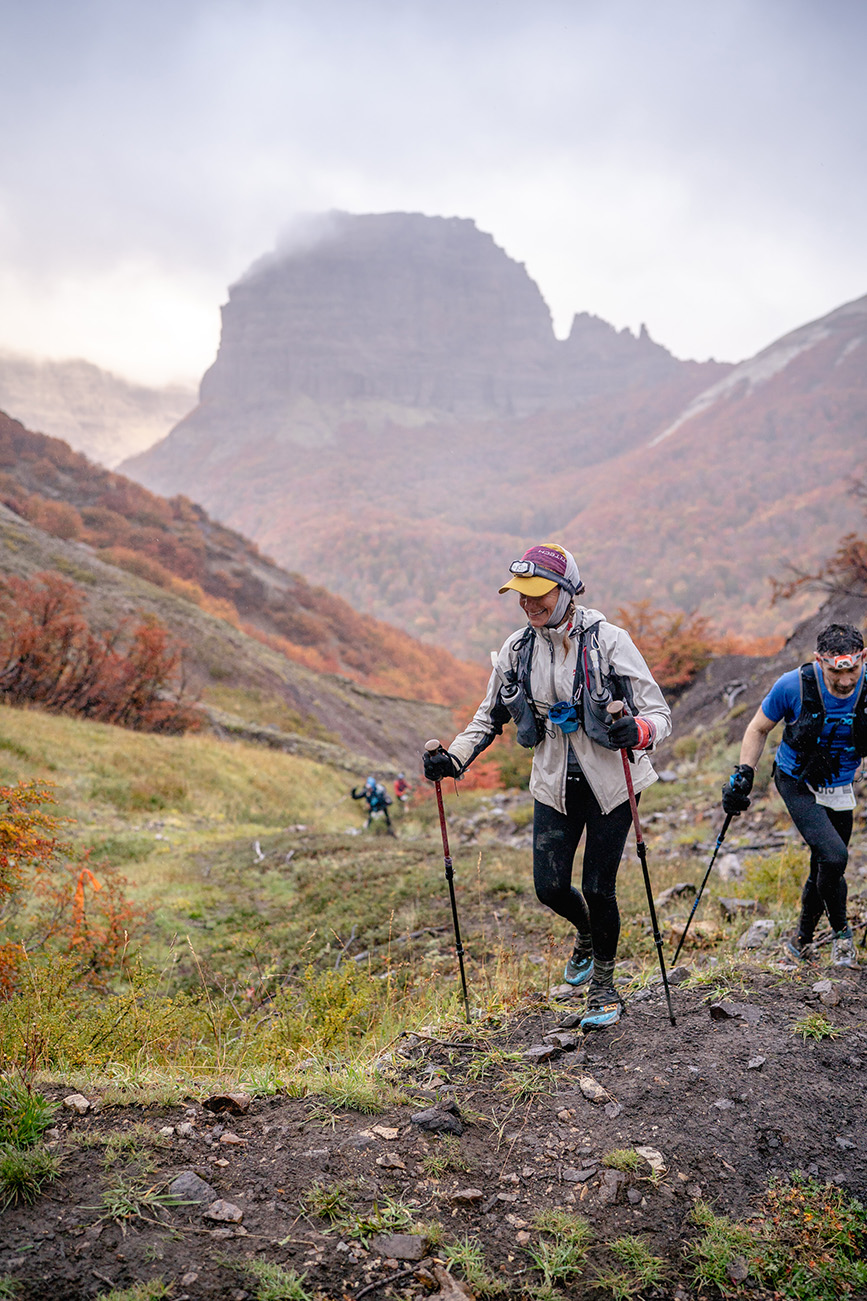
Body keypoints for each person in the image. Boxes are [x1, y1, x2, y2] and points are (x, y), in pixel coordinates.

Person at [422, 543, 671, 1030]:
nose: (529, 604)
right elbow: (488, 716)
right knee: (550, 887)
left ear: (567, 590)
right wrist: (451, 758)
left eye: (539, 594)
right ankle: (585, 934)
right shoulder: (516, 651)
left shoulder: (610, 641)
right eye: (521, 595)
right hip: (554, 783)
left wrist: (638, 732)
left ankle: (604, 985)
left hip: (612, 785)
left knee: (600, 889)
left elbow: (659, 713)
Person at [722, 623, 866, 967]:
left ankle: (800, 941)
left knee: (825, 865)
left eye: (853, 671)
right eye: (835, 672)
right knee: (834, 857)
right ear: (819, 661)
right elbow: (758, 727)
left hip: (841, 784)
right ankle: (842, 934)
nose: (845, 682)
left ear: (863, 658)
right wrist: (744, 772)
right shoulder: (793, 685)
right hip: (796, 781)